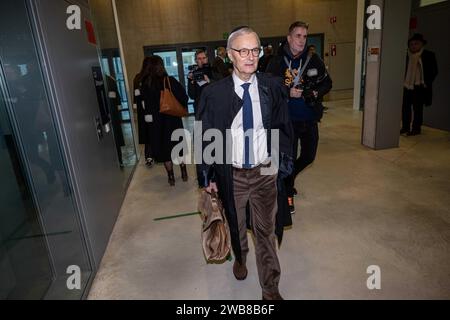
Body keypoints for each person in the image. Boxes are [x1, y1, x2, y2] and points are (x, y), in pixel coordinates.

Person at [196, 26, 293, 300]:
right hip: (233, 173)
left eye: (255, 50)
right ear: (229, 55)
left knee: (266, 231)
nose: (250, 57)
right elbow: (206, 139)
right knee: (237, 228)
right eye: (242, 51)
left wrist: (281, 165)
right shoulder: (214, 94)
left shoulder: (272, 86)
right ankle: (240, 257)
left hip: (264, 171)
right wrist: (208, 177)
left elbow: (284, 129)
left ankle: (270, 288)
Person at [266, 21, 332, 214]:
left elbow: (327, 83)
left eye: (304, 36)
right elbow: (268, 89)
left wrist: (315, 93)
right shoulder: (276, 62)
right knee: (288, 159)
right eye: (298, 36)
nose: (302, 40)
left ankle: (288, 179)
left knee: (309, 156)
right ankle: (287, 196)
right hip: (287, 121)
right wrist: (288, 92)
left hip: (309, 117)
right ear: (289, 38)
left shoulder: (314, 60)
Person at [140, 55, 189, 186]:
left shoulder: (145, 85)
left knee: (164, 150)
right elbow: (184, 97)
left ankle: (171, 177)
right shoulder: (170, 80)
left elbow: (144, 106)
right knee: (177, 146)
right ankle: (184, 172)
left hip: (156, 124)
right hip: (172, 120)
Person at [401, 33, 438, 136]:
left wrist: (426, 82)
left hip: (419, 86)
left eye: (416, 44)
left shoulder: (428, 55)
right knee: (405, 108)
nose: (413, 46)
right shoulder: (406, 56)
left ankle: (416, 129)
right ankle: (405, 127)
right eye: (411, 44)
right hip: (407, 85)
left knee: (418, 109)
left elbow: (434, 71)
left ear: (422, 44)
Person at [133, 57, 154, 167]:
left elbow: (136, 94)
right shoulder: (152, 77)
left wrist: (136, 104)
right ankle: (156, 154)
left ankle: (149, 156)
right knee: (155, 131)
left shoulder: (137, 77)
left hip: (143, 110)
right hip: (153, 109)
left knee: (147, 133)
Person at [187, 49, 213, 115]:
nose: (202, 60)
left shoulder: (214, 71)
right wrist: (191, 81)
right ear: (196, 60)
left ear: (207, 58)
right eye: (199, 58)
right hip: (199, 109)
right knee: (198, 125)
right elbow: (192, 96)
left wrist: (209, 80)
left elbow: (222, 88)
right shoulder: (193, 74)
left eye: (204, 58)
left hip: (214, 108)